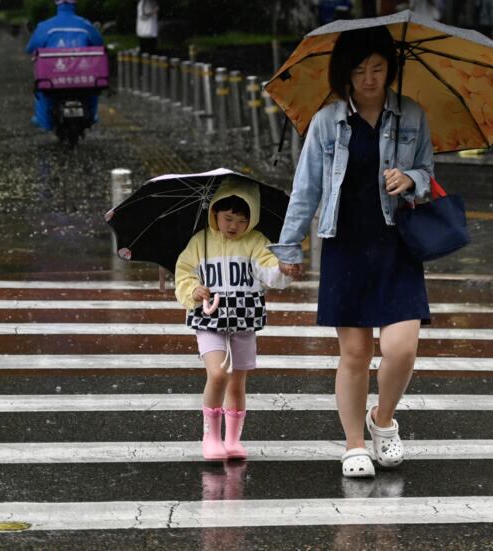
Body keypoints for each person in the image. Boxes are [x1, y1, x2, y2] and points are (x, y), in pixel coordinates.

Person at [270, 26, 433, 478]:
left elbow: (428, 174)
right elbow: (306, 188)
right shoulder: (327, 121)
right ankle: (354, 444)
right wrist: (290, 245)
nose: (369, 78)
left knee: (402, 349)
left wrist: (411, 179)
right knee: (356, 352)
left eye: (378, 68)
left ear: (390, 68)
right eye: (360, 70)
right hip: (345, 244)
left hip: (397, 244)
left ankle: (383, 420)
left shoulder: (412, 115)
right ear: (344, 73)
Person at [175, 178, 293, 461]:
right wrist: (193, 290)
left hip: (243, 320)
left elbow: (270, 272)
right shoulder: (200, 241)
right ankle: (211, 437)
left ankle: (232, 440)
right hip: (209, 320)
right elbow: (184, 272)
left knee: (238, 384)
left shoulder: (257, 242)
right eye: (228, 218)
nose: (234, 226)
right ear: (214, 212)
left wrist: (283, 269)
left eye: (242, 220)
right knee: (218, 374)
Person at [25, 0, 103, 131]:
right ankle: (92, 115)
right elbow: (99, 43)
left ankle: (43, 120)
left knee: (42, 90)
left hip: (53, 79)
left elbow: (30, 48)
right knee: (93, 89)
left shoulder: (45, 26)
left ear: (57, 4)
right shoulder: (86, 25)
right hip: (82, 77)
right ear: (75, 4)